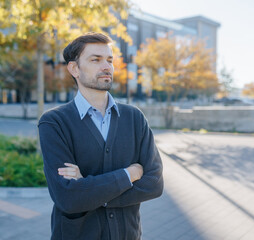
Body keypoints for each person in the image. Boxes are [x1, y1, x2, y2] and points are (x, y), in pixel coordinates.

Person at [38, 32, 163, 240]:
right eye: (95, 60)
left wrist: (88, 188)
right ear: (74, 68)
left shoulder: (134, 118)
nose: (106, 67)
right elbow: (68, 197)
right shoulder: (53, 122)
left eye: (109, 60)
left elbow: (154, 184)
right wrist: (129, 175)